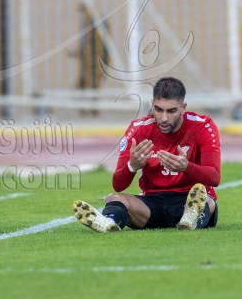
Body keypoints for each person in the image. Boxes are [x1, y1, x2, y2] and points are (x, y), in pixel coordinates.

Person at [73, 77, 221, 232]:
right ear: (152, 104)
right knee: (114, 198)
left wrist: (186, 167)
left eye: (171, 111)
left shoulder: (202, 126)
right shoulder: (138, 129)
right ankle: (108, 222)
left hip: (189, 197)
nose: (164, 118)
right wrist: (132, 166)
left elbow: (214, 177)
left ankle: (191, 219)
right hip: (153, 203)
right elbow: (118, 185)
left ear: (183, 108)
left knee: (206, 201)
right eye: (158, 110)